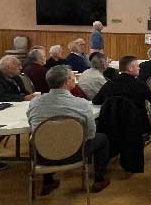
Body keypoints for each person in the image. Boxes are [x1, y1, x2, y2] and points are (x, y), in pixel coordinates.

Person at [27, 66, 111, 194]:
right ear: (67, 82)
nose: (74, 80)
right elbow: (91, 134)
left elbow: (32, 126)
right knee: (102, 138)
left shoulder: (35, 103)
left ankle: (48, 182)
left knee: (45, 139)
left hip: (42, 156)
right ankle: (99, 179)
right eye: (73, 78)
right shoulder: (81, 104)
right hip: (75, 154)